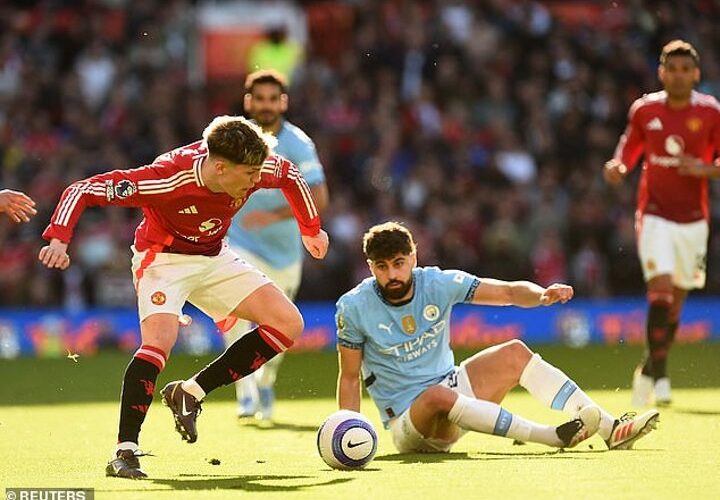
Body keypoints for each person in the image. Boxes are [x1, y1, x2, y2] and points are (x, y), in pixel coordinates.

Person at [38, 116, 329, 479]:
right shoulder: (167, 178)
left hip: (214, 256)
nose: (256, 181)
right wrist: (59, 238)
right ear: (220, 168)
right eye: (250, 174)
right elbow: (83, 190)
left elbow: (291, 176)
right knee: (158, 344)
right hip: (164, 260)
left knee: (289, 323)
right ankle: (125, 451)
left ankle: (191, 392)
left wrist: (311, 230)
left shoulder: (254, 164)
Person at [336, 222, 659, 454]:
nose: (392, 274)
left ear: (413, 258)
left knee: (515, 352)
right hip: (410, 423)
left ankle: (611, 429)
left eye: (398, 263)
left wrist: (542, 295)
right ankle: (550, 436)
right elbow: (350, 378)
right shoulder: (353, 307)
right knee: (436, 395)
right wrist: (349, 431)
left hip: (454, 391)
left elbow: (506, 292)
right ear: (370, 267)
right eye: (382, 267)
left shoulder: (438, 284)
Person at [604, 40, 720, 407]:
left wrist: (703, 169)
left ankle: (647, 369)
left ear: (696, 74)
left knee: (675, 305)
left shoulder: (711, 112)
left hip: (694, 220)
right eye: (672, 69)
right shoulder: (645, 110)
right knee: (660, 293)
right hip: (654, 214)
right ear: (662, 73)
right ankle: (663, 377)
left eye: (685, 70)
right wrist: (620, 166)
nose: (679, 76)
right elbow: (629, 146)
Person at [225, 69, 329, 421]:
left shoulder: (298, 143)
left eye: (273, 99)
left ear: (283, 102)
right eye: (260, 99)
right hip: (240, 242)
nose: (266, 106)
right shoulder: (233, 137)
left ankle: (266, 380)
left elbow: (319, 198)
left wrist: (271, 216)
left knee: (281, 325)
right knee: (234, 315)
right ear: (248, 102)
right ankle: (245, 394)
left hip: (284, 253)